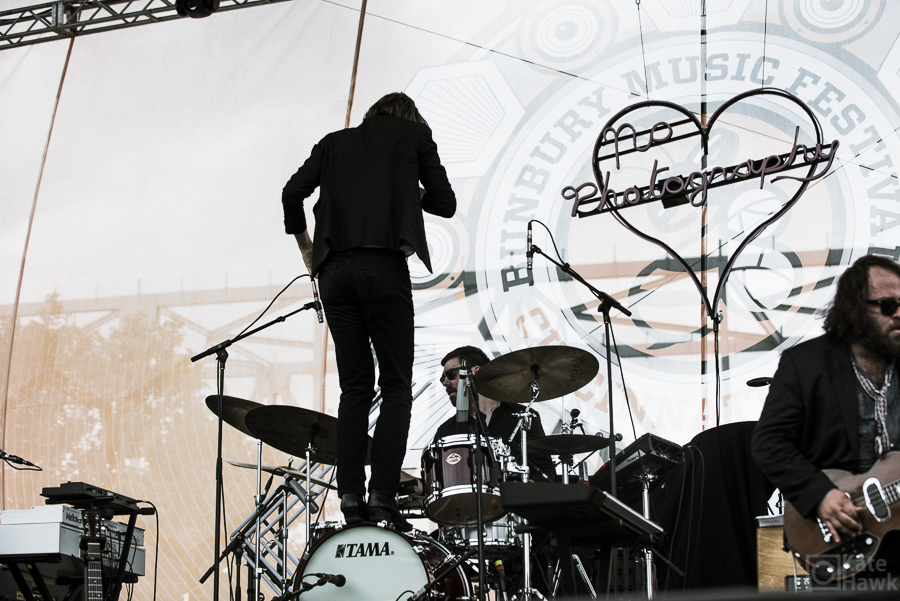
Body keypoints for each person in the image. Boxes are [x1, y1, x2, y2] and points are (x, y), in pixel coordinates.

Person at [282, 92, 456, 530]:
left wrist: (307, 250)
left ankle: (349, 495)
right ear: (410, 118)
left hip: (334, 273)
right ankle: (381, 495)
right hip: (383, 268)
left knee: (354, 387)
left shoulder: (333, 143)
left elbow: (291, 194)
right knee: (395, 385)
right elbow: (445, 203)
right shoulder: (414, 137)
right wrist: (408, 188)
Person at [752, 254, 900, 581]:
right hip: (837, 537)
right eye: (888, 305)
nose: (899, 313)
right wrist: (821, 495)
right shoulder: (807, 364)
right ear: (855, 309)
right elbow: (769, 443)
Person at [435, 346, 555, 482]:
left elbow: (546, 472)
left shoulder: (523, 416)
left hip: (515, 495)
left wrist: (524, 488)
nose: (445, 383)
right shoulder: (446, 432)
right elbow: (436, 481)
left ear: (475, 371)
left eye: (451, 374)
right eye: (442, 378)